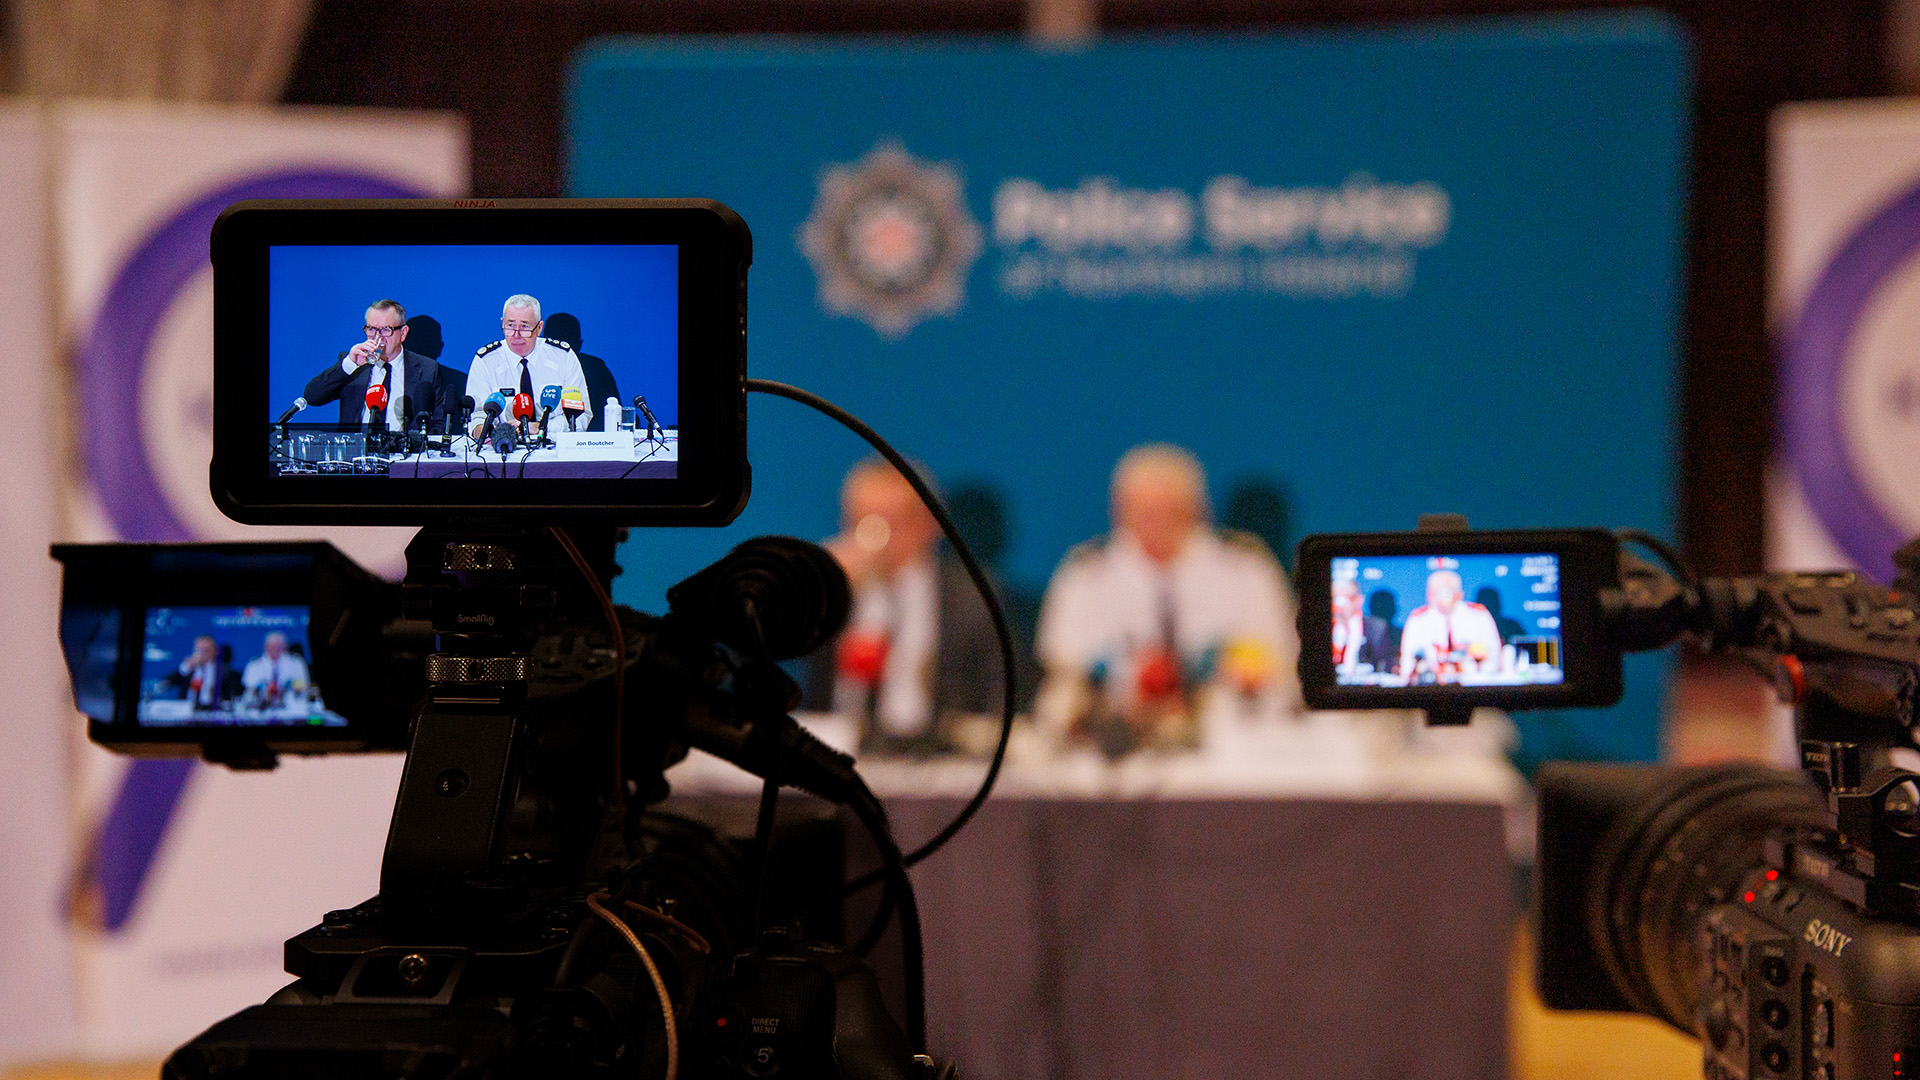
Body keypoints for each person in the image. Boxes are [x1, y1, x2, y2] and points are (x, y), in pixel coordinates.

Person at [1035, 444, 1298, 753]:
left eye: (1171, 511)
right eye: (1144, 512)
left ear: (1198, 509)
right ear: (1119, 511)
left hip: (1233, 744)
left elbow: (1283, 663)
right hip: (1112, 745)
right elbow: (1062, 666)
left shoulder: (1246, 569)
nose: (1157, 524)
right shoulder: (1086, 573)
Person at [801, 460, 1005, 755]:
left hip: (935, 756)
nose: (873, 538)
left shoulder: (973, 597)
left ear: (928, 524)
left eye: (891, 522)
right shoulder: (832, 587)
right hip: (835, 750)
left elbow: (995, 696)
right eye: (861, 522)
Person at [303, 299, 445, 431]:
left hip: (404, 454)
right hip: (357, 453)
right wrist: (349, 364)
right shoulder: (353, 364)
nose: (377, 337)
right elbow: (312, 397)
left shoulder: (427, 369)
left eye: (385, 329)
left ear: (402, 333)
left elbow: (438, 423)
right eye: (371, 329)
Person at [465, 294, 592, 438]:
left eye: (524, 327)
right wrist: (485, 432)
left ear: (539, 328)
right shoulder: (486, 361)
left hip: (554, 449)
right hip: (502, 449)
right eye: (510, 326)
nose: (516, 335)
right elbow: (476, 417)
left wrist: (541, 428)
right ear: (502, 323)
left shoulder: (563, 357)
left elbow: (581, 415)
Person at [1397, 569, 1503, 684]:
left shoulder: (1479, 615)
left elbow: (1494, 655)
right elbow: (1407, 661)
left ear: (1459, 594)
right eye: (1437, 593)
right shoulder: (1418, 619)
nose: (1443, 599)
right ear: (1429, 595)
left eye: (1448, 593)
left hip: (1473, 685)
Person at [1331, 578, 1393, 677]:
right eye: (1334, 599)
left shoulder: (1376, 628)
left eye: (1343, 599)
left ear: (1359, 600)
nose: (1338, 606)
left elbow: (1384, 666)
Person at [241, 632, 311, 710]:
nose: (276, 649)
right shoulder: (254, 665)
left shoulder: (296, 663)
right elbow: (249, 689)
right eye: (272, 646)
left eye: (279, 646)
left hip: (291, 709)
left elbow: (303, 685)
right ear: (265, 647)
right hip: (261, 709)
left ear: (285, 647)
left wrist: (288, 687)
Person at [167, 635, 237, 710]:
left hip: (213, 710)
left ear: (215, 651)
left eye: (206, 650)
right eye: (199, 650)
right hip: (186, 709)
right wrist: (187, 667)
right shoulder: (186, 669)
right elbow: (168, 682)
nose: (202, 653)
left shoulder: (223, 671)